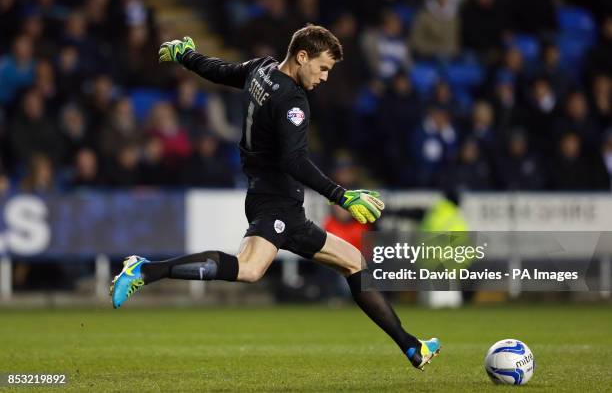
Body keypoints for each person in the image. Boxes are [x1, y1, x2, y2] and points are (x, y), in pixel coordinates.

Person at [109, 24, 440, 370]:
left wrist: (186, 55)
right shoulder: (292, 100)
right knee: (250, 269)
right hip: (276, 199)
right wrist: (340, 196)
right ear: (302, 57)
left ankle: (412, 347)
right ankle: (145, 270)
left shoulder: (261, 70)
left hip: (275, 200)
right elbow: (293, 160)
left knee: (354, 262)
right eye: (323, 67)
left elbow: (221, 71)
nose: (325, 77)